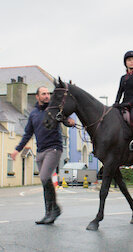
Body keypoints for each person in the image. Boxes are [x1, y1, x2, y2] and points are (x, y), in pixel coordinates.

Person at [11, 86, 75, 225]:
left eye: (48, 93)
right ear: (37, 96)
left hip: (54, 148)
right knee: (45, 182)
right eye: (44, 94)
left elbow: (64, 119)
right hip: (40, 151)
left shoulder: (53, 109)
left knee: (45, 177)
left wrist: (69, 122)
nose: (47, 96)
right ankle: (48, 213)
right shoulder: (33, 114)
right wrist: (17, 149)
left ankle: (55, 209)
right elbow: (28, 133)